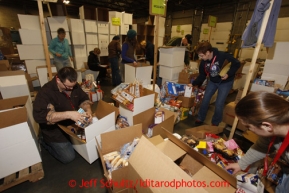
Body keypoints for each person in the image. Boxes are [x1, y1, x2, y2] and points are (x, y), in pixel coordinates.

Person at [226, 91, 289, 193]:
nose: (248, 130)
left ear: (267, 126)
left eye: (248, 127)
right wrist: (240, 164)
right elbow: (261, 146)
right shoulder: (276, 126)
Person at [33, 67, 93, 164]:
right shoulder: (45, 92)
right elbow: (39, 116)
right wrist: (68, 114)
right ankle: (44, 141)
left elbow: (83, 99)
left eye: (73, 86)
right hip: (54, 130)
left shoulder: (73, 85)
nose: (71, 89)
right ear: (58, 80)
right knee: (68, 157)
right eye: (68, 87)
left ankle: (70, 139)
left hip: (72, 124)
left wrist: (88, 110)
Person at [193, 41, 240, 126]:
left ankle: (215, 122)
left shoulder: (222, 56)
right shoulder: (203, 62)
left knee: (219, 103)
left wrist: (228, 74)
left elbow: (237, 64)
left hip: (225, 82)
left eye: (202, 55)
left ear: (208, 52)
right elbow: (202, 75)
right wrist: (193, 84)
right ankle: (200, 118)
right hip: (213, 81)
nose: (201, 57)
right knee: (205, 100)